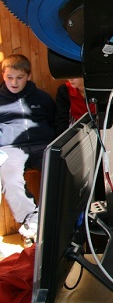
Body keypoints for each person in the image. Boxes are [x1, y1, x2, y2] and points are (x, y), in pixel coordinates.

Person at [0, 54, 56, 246]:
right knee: (9, 177)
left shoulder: (41, 98)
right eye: (9, 77)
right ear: (3, 75)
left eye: (19, 77)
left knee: (57, 171)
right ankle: (32, 222)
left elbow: (53, 120)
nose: (14, 82)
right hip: (11, 148)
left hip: (42, 145)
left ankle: (47, 221)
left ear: (29, 76)